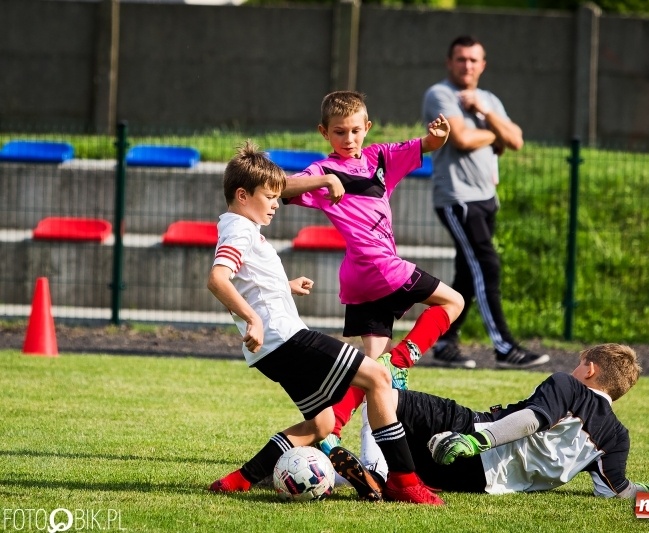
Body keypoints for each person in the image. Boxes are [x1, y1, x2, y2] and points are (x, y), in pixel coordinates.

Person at [205, 140, 443, 505]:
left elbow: (246, 281)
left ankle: (242, 478)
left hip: (271, 350)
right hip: (287, 340)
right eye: (270, 196)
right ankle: (404, 481)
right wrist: (253, 319)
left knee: (322, 425)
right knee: (379, 377)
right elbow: (218, 279)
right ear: (242, 195)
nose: (275, 204)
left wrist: (285, 287)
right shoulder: (240, 230)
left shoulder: (242, 229)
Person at [281, 90, 465, 450]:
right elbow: (281, 186)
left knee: (371, 371)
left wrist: (438, 138)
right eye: (338, 132)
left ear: (367, 127)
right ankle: (402, 361)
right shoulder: (322, 170)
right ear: (324, 133)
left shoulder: (380, 157)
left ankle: (333, 435)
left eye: (353, 130)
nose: (347, 139)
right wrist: (323, 180)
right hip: (380, 267)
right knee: (453, 302)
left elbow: (425, 144)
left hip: (359, 278)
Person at [329, 343, 649, 501]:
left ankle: (372, 471)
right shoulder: (617, 437)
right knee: (405, 449)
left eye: (580, 364)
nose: (575, 369)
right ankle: (367, 477)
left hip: (472, 434)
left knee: (382, 391)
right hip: (475, 482)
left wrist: (475, 441)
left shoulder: (569, 385)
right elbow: (617, 491)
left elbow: (532, 419)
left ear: (590, 370)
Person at [422, 35, 549, 370]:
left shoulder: (488, 99)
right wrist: (496, 131)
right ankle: (505, 347)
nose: (467, 65)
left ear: (483, 64)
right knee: (486, 265)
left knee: (467, 274)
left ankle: (445, 341)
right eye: (461, 59)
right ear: (450, 63)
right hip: (457, 198)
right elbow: (462, 139)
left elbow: (517, 140)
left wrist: (485, 113)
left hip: (486, 197)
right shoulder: (441, 95)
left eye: (473, 60)